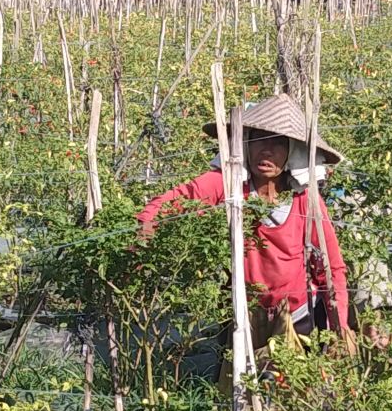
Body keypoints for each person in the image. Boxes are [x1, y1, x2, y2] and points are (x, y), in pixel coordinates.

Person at [135, 94, 352, 350]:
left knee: (294, 385)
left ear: (292, 152)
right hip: (242, 313)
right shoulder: (227, 185)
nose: (267, 151)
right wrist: (147, 226)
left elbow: (331, 266)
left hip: (297, 314)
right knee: (236, 386)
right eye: (258, 141)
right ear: (245, 144)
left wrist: (341, 326)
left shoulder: (306, 200)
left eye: (278, 144)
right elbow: (177, 200)